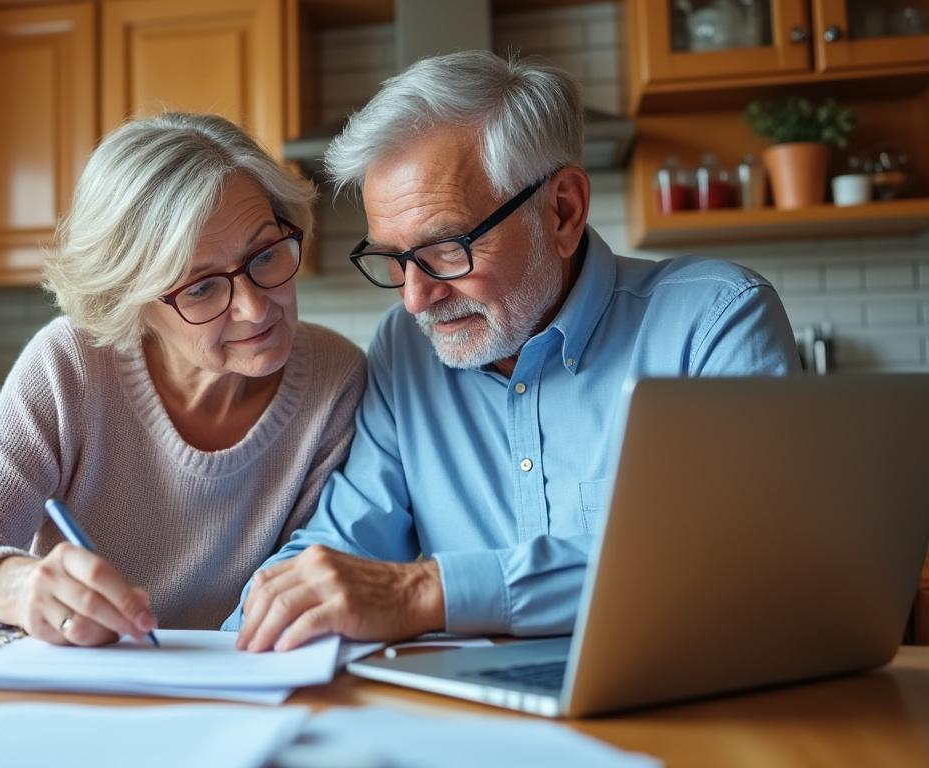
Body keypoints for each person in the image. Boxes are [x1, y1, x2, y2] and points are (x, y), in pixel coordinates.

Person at [225, 51, 800, 652]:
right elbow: (343, 546)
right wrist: (226, 643)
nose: (417, 300)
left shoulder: (713, 321)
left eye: (447, 248)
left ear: (562, 211)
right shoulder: (405, 352)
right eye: (393, 259)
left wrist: (427, 594)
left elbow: (739, 558)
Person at [0, 113, 365, 645]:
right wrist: (20, 587)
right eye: (202, 288)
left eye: (266, 254)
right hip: (87, 690)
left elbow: (302, 580)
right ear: (133, 303)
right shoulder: (71, 365)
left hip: (241, 684)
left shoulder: (335, 377)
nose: (255, 308)